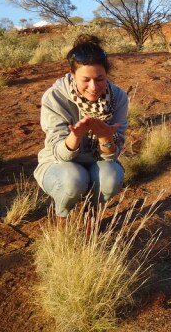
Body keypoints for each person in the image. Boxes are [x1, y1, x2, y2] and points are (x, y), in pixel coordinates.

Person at [34, 34, 128, 219]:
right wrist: (75, 136)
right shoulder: (55, 97)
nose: (93, 87)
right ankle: (63, 214)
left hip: (97, 161)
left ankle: (91, 214)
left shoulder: (118, 97)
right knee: (74, 180)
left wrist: (105, 137)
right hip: (59, 163)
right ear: (72, 74)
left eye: (100, 79)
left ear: (107, 75)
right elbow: (58, 153)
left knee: (111, 177)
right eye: (85, 79)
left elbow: (112, 155)